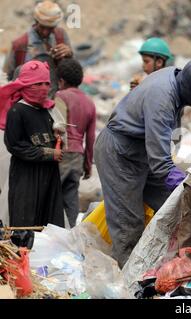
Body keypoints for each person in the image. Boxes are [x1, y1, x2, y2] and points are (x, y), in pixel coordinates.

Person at [95, 58, 191, 267]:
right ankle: (128, 280)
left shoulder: (176, 77)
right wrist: (187, 183)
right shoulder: (161, 98)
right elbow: (161, 164)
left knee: (177, 205)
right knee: (129, 223)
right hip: (120, 154)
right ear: (187, 86)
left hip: (141, 152)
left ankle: (182, 262)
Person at [0, 60, 64, 227]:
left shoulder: (46, 110)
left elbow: (52, 142)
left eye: (46, 83)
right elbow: (15, 145)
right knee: (26, 223)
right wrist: (49, 153)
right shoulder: (17, 111)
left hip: (49, 177)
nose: (43, 88)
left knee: (48, 223)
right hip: (26, 177)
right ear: (26, 84)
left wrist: (58, 138)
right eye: (37, 84)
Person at [55, 59, 96, 228]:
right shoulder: (89, 103)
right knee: (71, 198)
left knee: (54, 197)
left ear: (62, 80)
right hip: (78, 156)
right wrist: (88, 165)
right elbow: (91, 138)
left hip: (61, 154)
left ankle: (52, 232)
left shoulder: (60, 96)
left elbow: (57, 128)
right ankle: (70, 233)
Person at [3, 1, 73, 98]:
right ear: (36, 22)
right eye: (42, 27)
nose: (45, 32)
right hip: (28, 104)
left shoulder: (60, 37)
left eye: (50, 28)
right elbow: (6, 78)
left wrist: (69, 56)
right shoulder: (20, 45)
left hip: (56, 101)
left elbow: (73, 71)